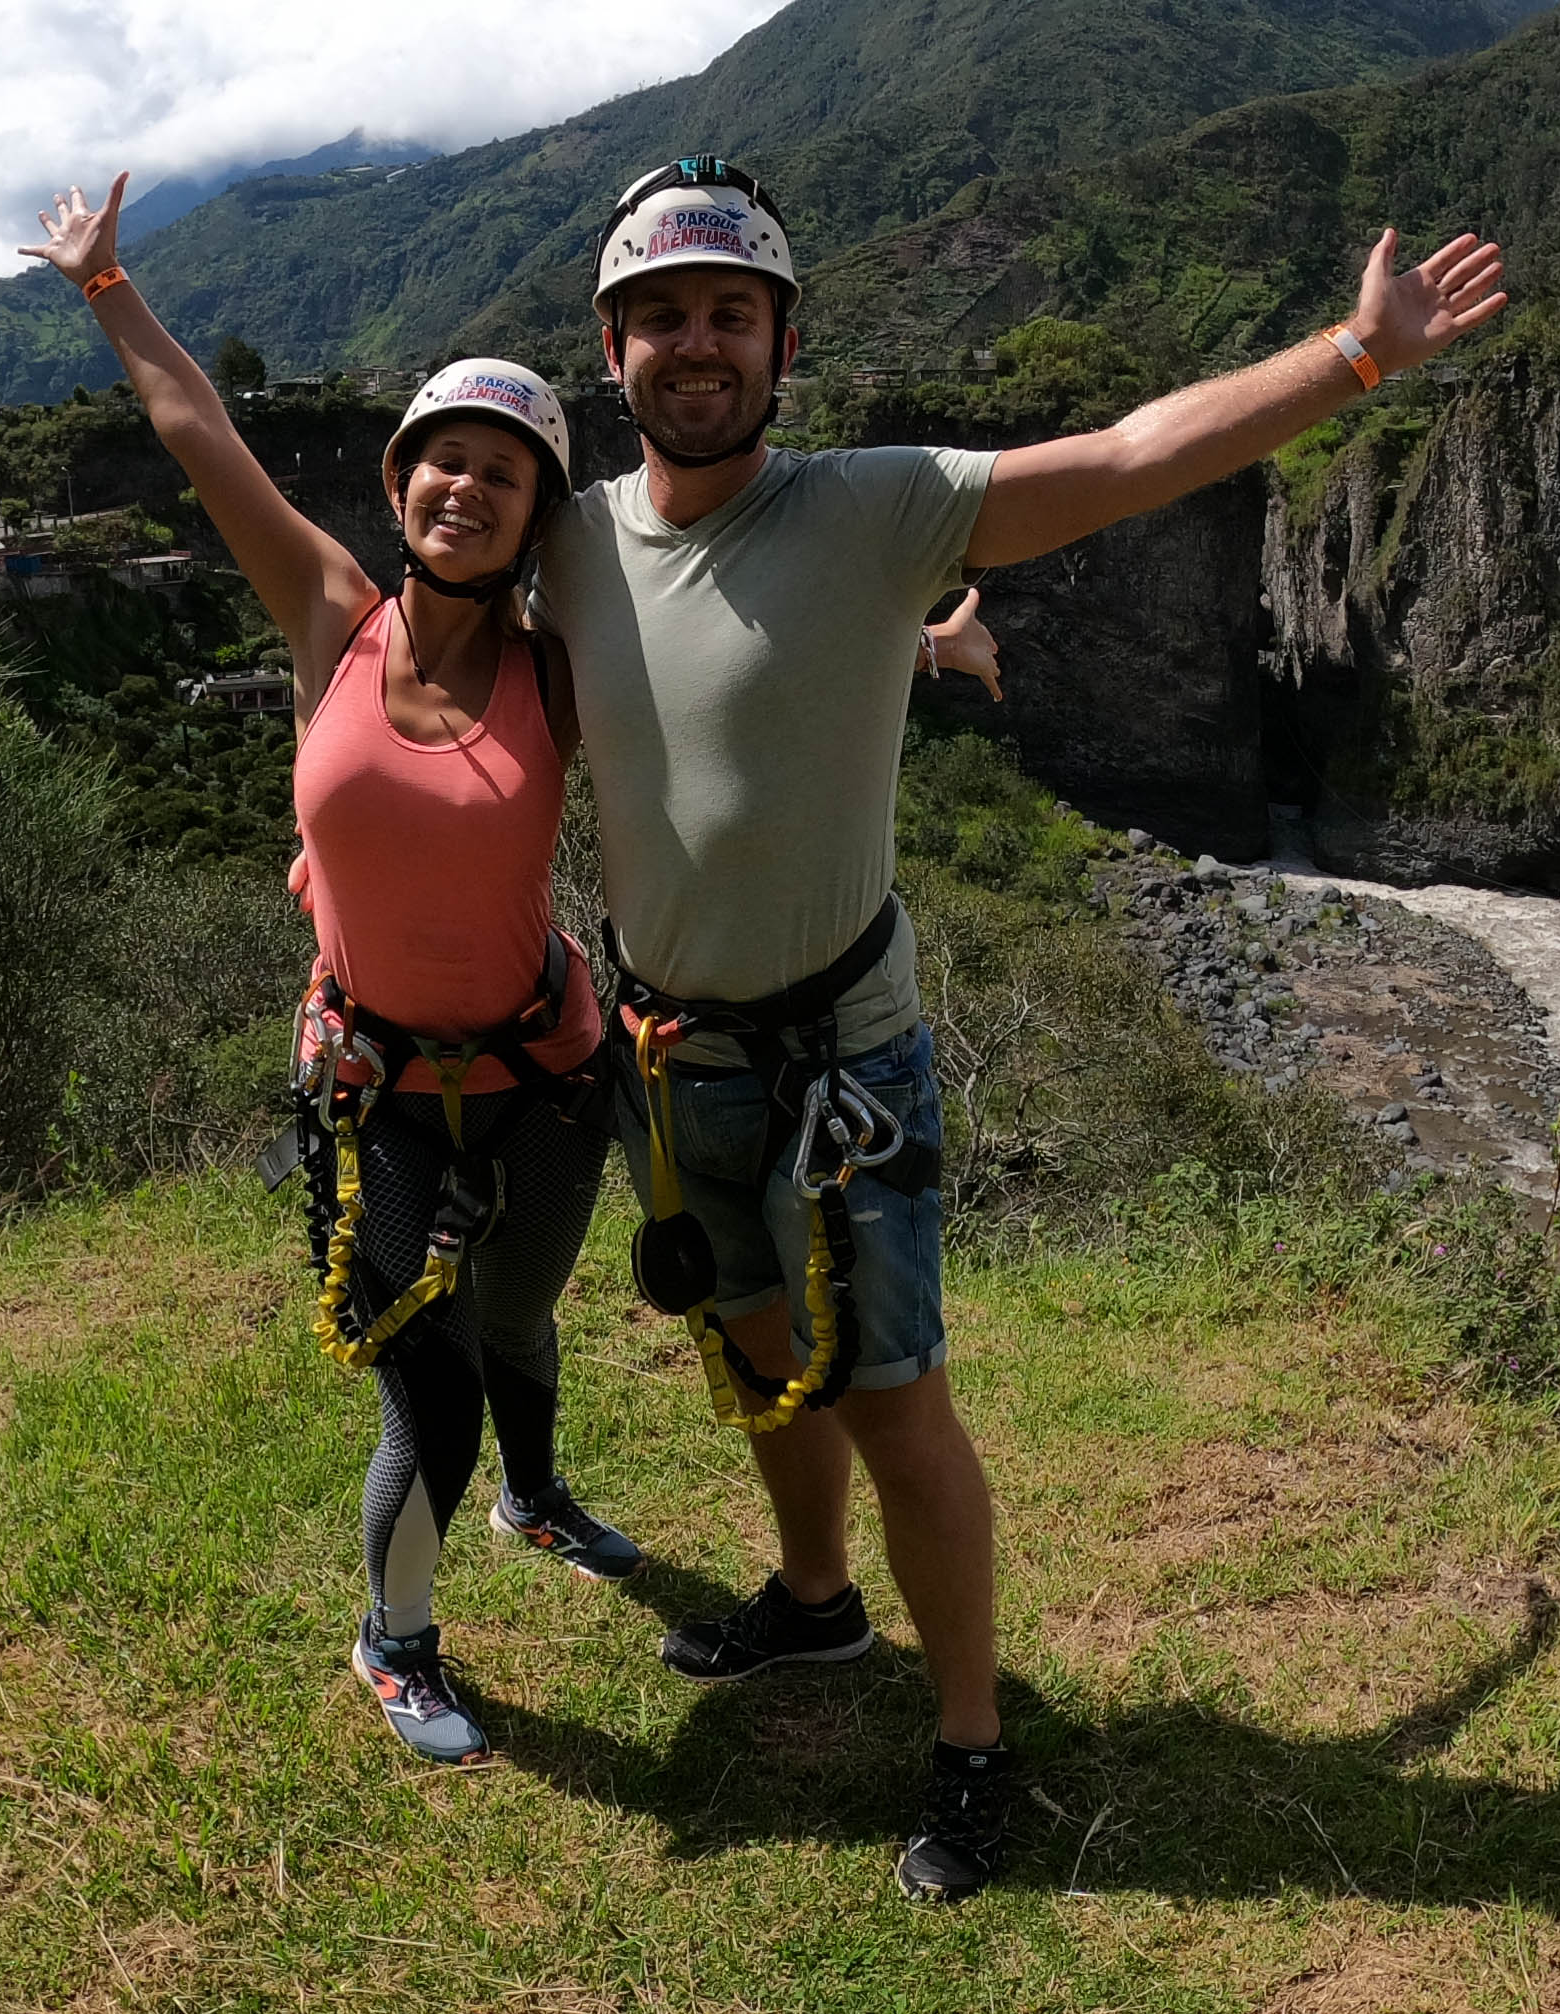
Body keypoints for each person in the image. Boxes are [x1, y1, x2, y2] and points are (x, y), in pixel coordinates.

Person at [543, 154, 1504, 1900]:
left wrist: (1353, 359)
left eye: (730, 316)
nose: (698, 345)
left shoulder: (881, 507)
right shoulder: (568, 541)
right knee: (754, 1358)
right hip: (674, 1054)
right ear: (611, 350)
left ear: (782, 343)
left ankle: (974, 1738)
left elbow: (1135, 460)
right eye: (663, 316)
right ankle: (819, 1607)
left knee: (899, 1400)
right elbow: (434, 681)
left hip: (845, 1053)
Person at [19, 176, 1003, 1772]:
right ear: (398, 486)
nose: (466, 491)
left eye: (503, 473)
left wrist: (922, 644)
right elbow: (204, 441)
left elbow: (721, 667)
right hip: (377, 1082)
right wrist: (109, 288)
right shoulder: (328, 621)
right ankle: (394, 1638)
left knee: (524, 1323)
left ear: (540, 511)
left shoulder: (557, 660)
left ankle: (540, 1503)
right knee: (432, 1381)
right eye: (441, 465)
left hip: (549, 1068)